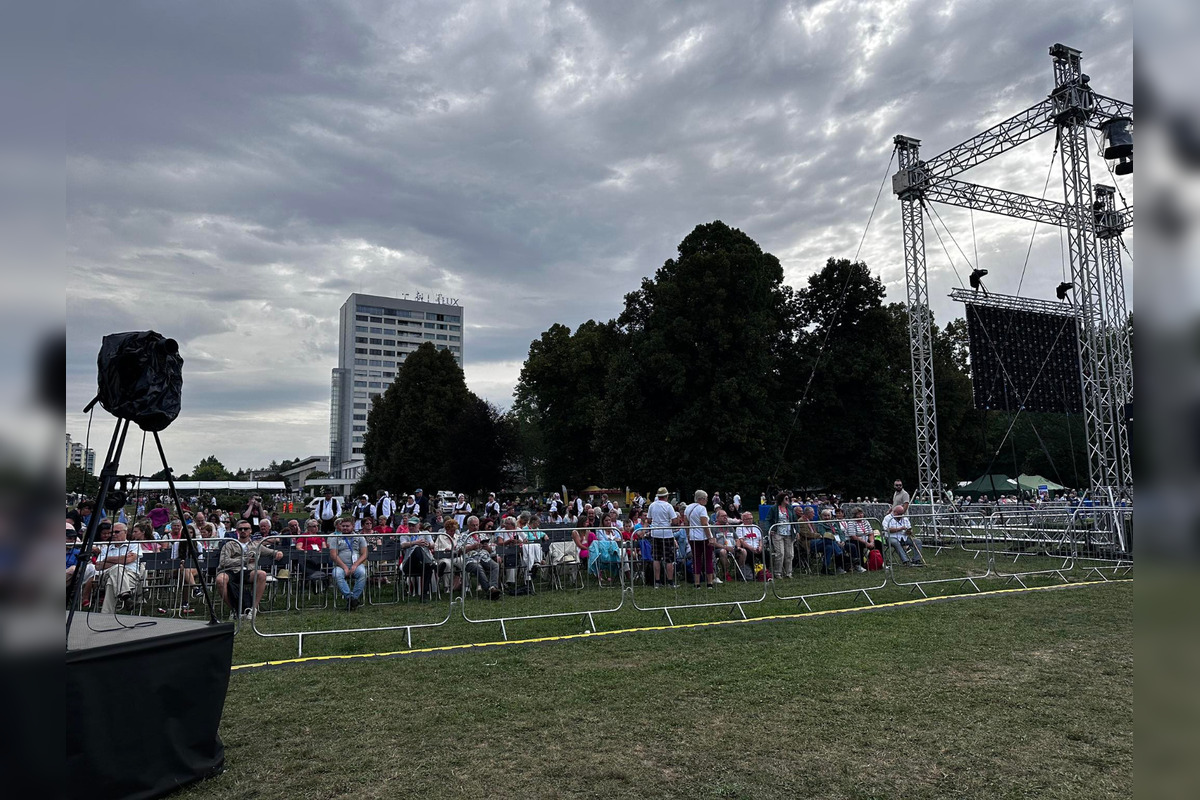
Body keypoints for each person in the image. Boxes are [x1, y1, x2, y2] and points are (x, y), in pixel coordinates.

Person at [215, 521, 283, 619]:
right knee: (220, 580)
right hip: (231, 571)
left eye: (246, 529)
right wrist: (243, 560)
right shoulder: (229, 544)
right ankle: (234, 609)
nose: (243, 531)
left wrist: (278, 552)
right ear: (237, 531)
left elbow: (271, 552)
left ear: (250, 531)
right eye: (240, 529)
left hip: (248, 572)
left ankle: (252, 609)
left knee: (262, 574)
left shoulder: (256, 545)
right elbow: (223, 562)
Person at [93, 521, 142, 613]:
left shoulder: (134, 545)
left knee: (111, 583)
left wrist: (107, 559)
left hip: (130, 576)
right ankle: (126, 596)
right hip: (106, 576)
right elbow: (98, 566)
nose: (113, 535)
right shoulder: (106, 548)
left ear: (125, 532)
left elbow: (129, 560)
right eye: (112, 532)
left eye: (117, 532)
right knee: (117, 568)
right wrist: (121, 560)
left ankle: (105, 615)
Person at [453, 516, 502, 599]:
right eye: (473, 525)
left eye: (477, 525)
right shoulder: (462, 536)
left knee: (495, 566)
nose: (475, 527)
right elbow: (458, 550)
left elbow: (492, 549)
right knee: (478, 567)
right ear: (468, 525)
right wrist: (471, 547)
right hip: (470, 560)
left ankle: (493, 587)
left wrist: (488, 548)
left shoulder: (482, 535)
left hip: (484, 557)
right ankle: (489, 590)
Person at [328, 518, 370, 608]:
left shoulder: (360, 538)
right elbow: (333, 555)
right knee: (336, 574)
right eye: (343, 526)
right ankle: (351, 598)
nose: (345, 528)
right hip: (340, 566)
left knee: (363, 573)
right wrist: (344, 567)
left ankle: (353, 598)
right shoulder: (335, 538)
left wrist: (355, 565)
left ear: (353, 526)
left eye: (347, 526)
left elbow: (364, 554)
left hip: (357, 564)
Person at [399, 517, 437, 599]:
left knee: (427, 569)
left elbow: (433, 544)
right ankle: (431, 564)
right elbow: (402, 545)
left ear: (418, 525)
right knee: (417, 549)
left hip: (422, 564)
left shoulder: (425, 533)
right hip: (409, 564)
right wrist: (415, 543)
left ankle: (424, 595)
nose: (411, 527)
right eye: (410, 525)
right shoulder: (404, 535)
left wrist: (427, 544)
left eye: (413, 525)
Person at [647, 487, 678, 588]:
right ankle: (670, 581)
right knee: (669, 559)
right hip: (667, 534)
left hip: (655, 533)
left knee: (656, 558)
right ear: (666, 496)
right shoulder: (668, 506)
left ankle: (657, 581)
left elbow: (649, 520)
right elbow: (674, 521)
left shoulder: (652, 505)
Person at [685, 490, 715, 589]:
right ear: (701, 499)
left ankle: (696, 583)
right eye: (705, 498)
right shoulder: (702, 508)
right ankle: (709, 582)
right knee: (708, 559)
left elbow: (686, 524)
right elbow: (704, 524)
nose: (706, 500)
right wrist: (710, 537)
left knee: (696, 560)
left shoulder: (688, 508)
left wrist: (688, 535)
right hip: (703, 537)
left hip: (693, 537)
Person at [765, 492, 797, 579]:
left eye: (788, 499)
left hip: (789, 533)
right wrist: (769, 529)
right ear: (781, 499)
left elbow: (795, 520)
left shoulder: (790, 508)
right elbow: (768, 519)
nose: (788, 500)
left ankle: (788, 572)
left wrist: (796, 531)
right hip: (777, 532)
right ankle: (777, 572)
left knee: (790, 554)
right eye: (786, 499)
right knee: (780, 553)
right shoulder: (774, 508)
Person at [812, 509, 847, 574]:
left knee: (831, 547)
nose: (827, 517)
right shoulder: (821, 524)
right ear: (822, 516)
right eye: (825, 516)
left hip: (838, 542)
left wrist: (843, 541)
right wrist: (836, 542)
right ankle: (839, 565)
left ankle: (825, 568)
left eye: (828, 515)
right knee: (835, 547)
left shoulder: (834, 523)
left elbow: (840, 533)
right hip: (828, 541)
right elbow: (824, 534)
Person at [735, 511, 764, 576]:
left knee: (766, 554)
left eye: (751, 518)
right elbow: (741, 540)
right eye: (748, 519)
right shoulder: (740, 528)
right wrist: (751, 548)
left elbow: (760, 539)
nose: (750, 520)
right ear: (743, 520)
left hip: (757, 547)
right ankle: (753, 573)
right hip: (747, 547)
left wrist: (760, 547)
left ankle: (765, 571)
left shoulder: (756, 527)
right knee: (750, 554)